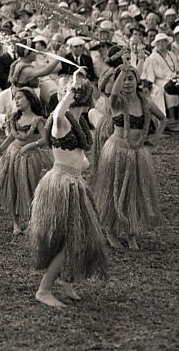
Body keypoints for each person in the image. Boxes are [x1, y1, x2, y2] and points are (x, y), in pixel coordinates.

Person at [30, 74, 109, 308]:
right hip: (61, 183)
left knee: (77, 236)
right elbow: (58, 112)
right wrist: (73, 86)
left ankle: (66, 280)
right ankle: (44, 289)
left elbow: (81, 158)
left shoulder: (80, 121)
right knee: (72, 238)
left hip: (74, 182)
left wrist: (81, 163)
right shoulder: (60, 121)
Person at [90, 64, 164, 249]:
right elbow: (113, 93)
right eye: (123, 80)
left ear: (137, 80)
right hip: (116, 151)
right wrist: (122, 71)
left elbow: (163, 119)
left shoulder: (145, 102)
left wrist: (155, 137)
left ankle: (131, 233)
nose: (127, 83)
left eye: (131, 78)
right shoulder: (116, 102)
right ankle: (110, 230)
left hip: (138, 153)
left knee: (134, 193)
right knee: (112, 191)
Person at [0, 86, 50, 235]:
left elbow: (46, 139)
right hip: (13, 154)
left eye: (20, 98)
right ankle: (16, 224)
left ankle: (33, 221)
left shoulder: (37, 120)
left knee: (31, 187)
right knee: (13, 187)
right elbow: (12, 136)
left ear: (30, 99)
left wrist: (31, 145)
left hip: (30, 156)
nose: (17, 101)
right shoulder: (15, 117)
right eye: (15, 99)